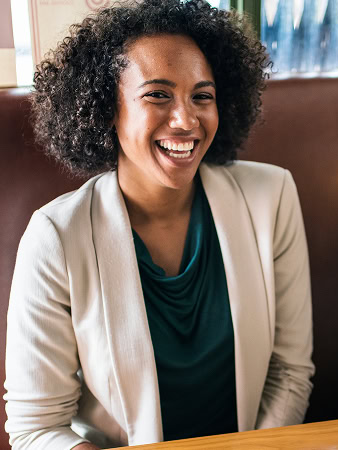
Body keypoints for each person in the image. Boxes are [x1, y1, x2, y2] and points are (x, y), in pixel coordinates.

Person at [4, 1, 314, 448]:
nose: (187, 120)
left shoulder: (273, 196)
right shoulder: (55, 236)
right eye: (157, 94)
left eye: (202, 96)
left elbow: (290, 372)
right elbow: (36, 427)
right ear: (105, 108)